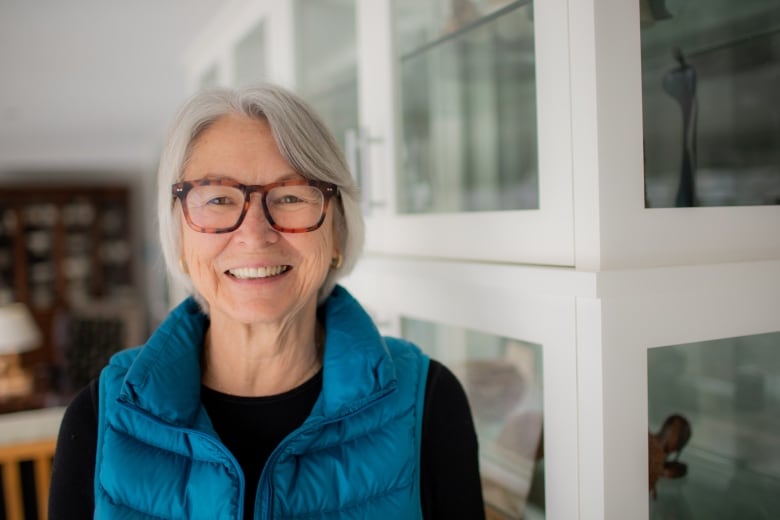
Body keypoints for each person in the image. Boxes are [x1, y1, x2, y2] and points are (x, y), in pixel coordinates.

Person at [49, 84, 485, 519]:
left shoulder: (428, 402)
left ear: (337, 230)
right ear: (180, 237)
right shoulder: (97, 419)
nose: (255, 233)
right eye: (218, 198)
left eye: (291, 195)